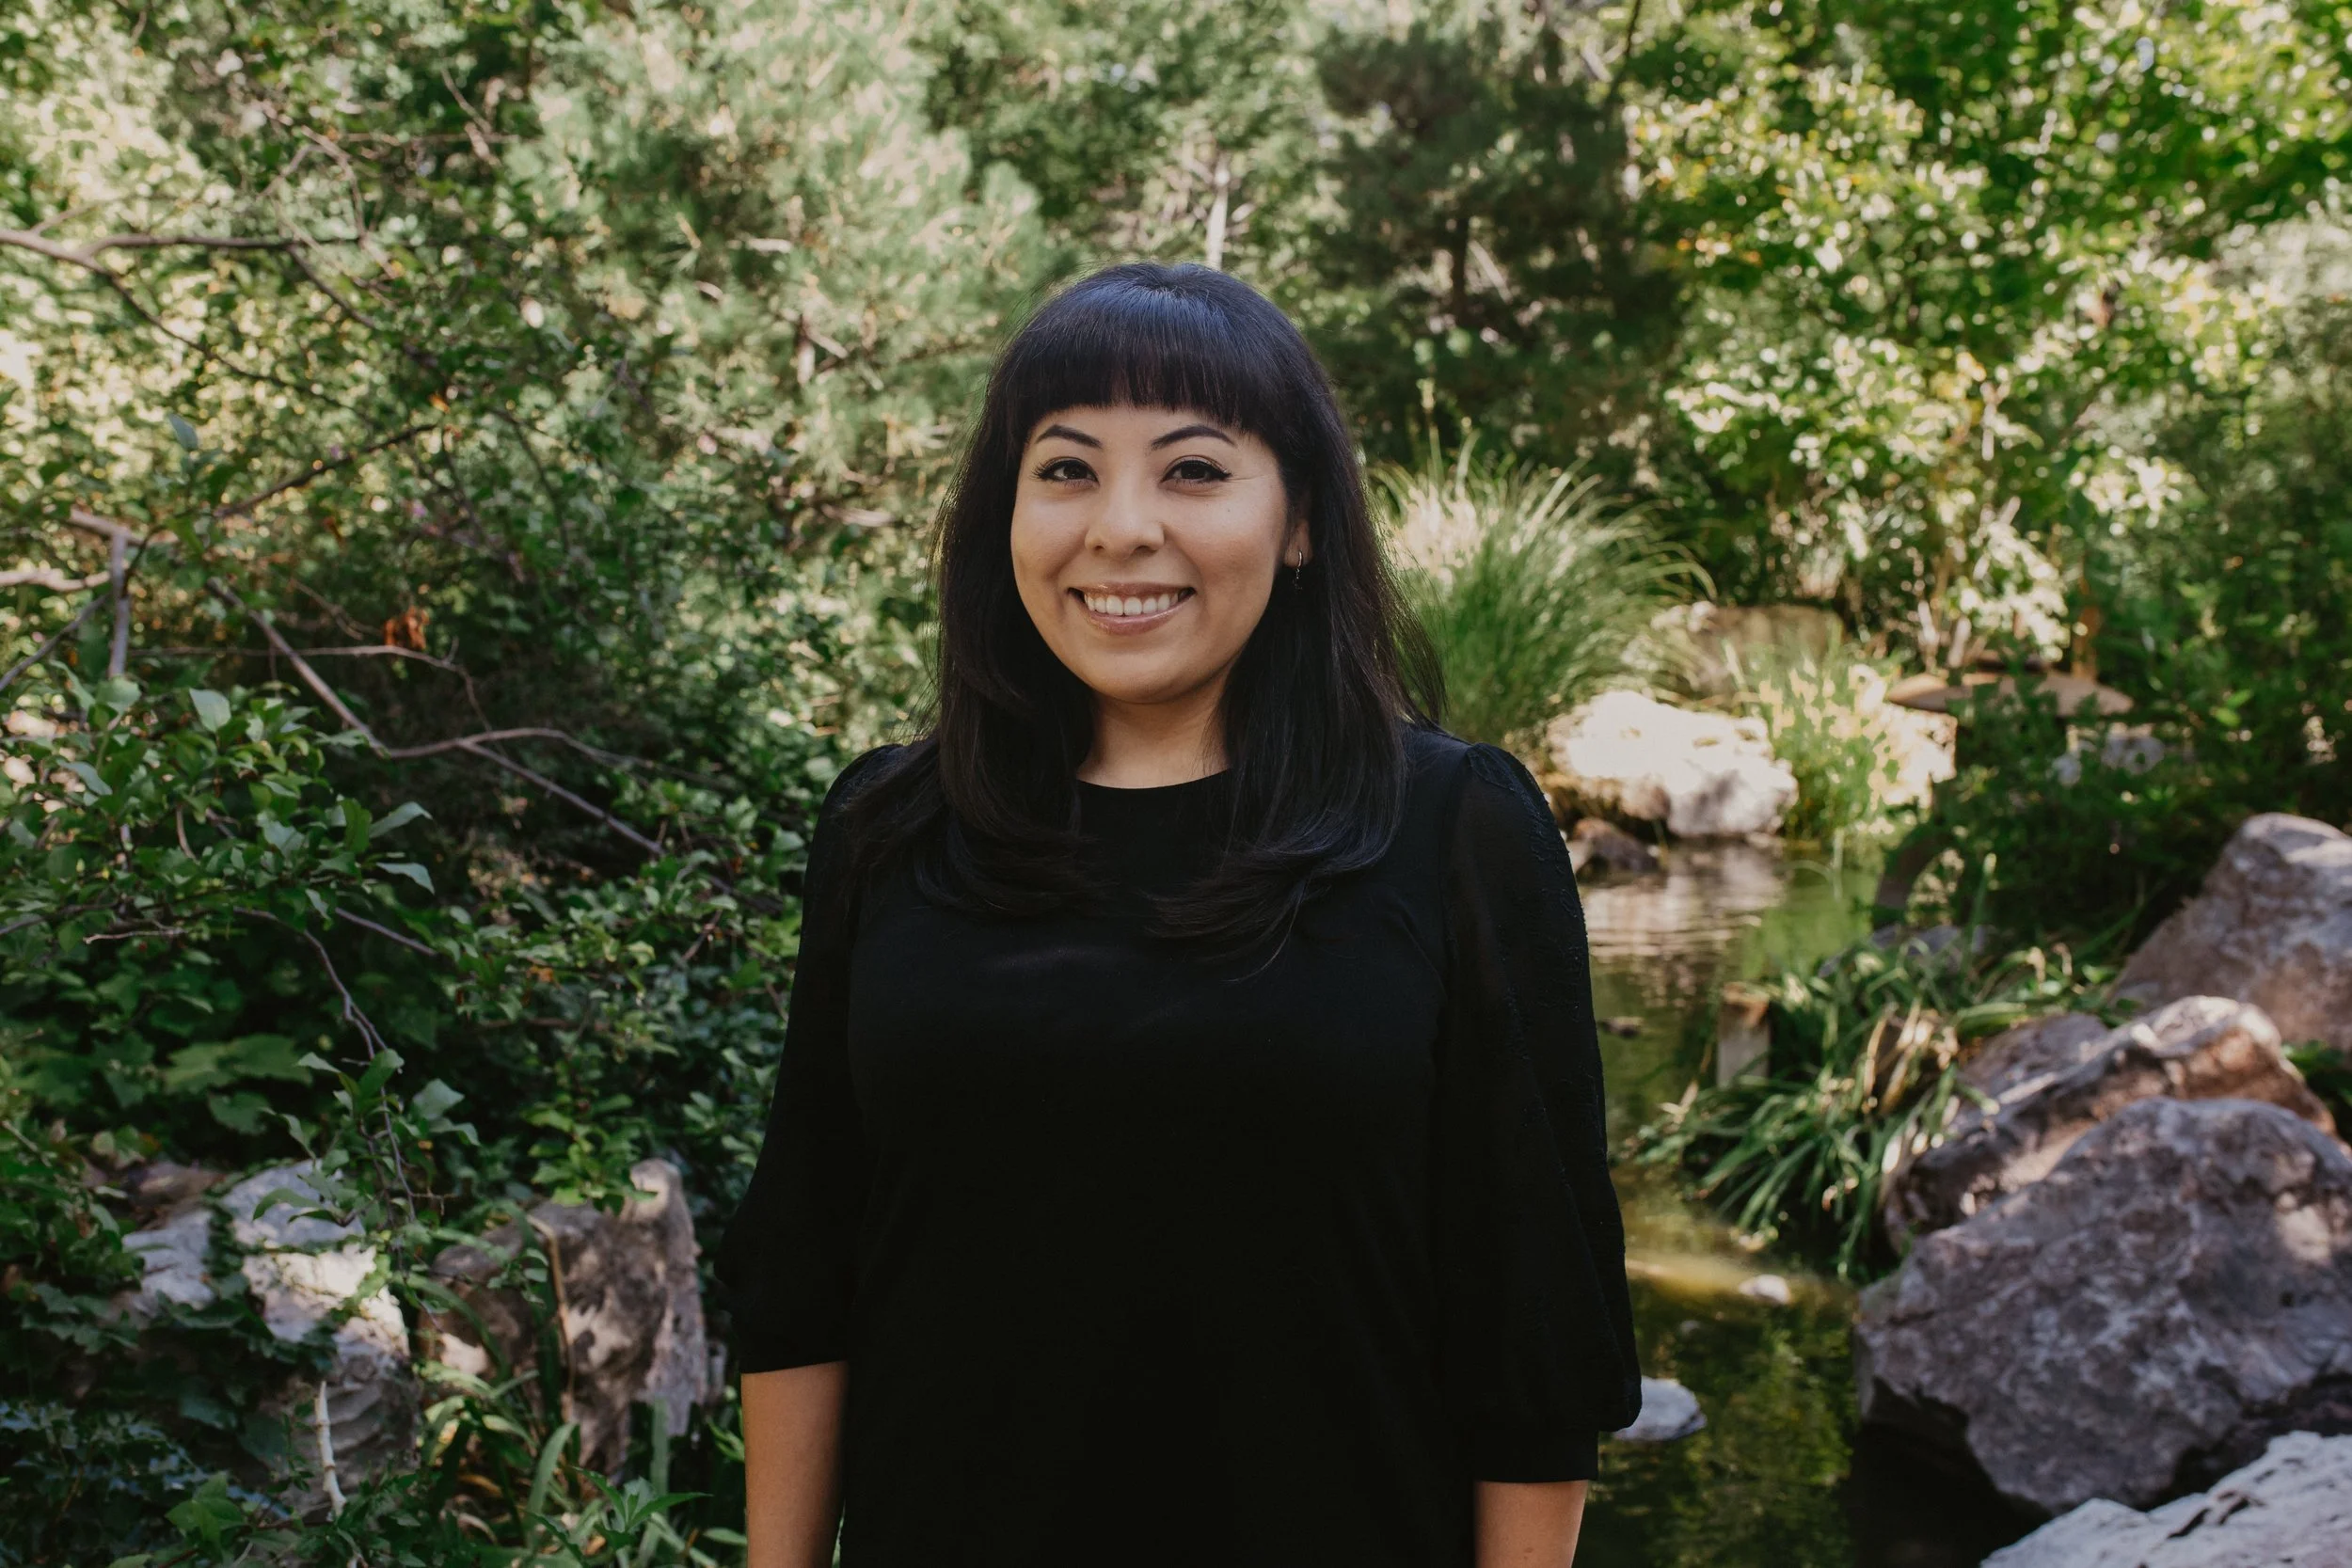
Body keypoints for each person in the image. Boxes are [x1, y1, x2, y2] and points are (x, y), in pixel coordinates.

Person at [718, 262, 1641, 1568]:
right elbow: (804, 1275)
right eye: (1069, 469)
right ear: (1007, 513)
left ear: (1302, 516)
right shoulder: (890, 828)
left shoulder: (1448, 828)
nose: (1123, 528)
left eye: (1195, 470)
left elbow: (1535, 1321)